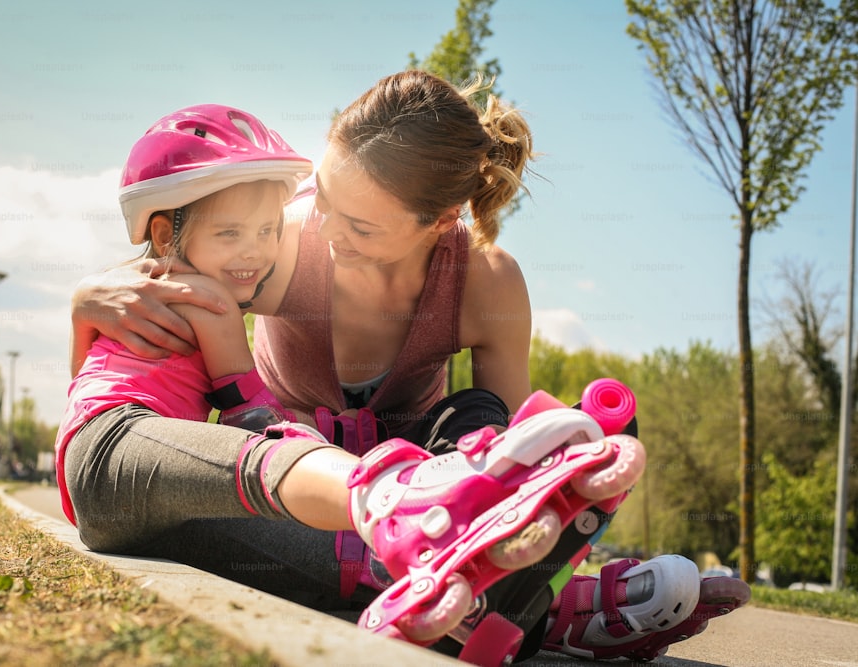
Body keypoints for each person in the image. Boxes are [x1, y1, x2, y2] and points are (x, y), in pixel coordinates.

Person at [69, 73, 748, 662]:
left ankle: (503, 578)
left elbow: (508, 461)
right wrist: (86, 297)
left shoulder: (485, 280)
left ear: (439, 220)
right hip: (304, 485)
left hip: (428, 484)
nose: (324, 230)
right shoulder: (282, 239)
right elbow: (184, 258)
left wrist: (548, 510)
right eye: (324, 199)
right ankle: (557, 608)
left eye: (359, 227)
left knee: (480, 416)